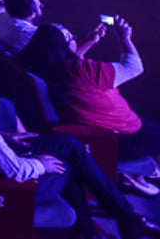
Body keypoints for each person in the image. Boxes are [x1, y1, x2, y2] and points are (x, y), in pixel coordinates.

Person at [0, 43, 160, 239]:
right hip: (1, 175)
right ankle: (119, 220)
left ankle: (102, 226)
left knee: (70, 147)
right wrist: (42, 165)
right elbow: (15, 171)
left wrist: (5, 136)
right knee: (69, 161)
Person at [20, 20, 160, 192]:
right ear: (63, 46)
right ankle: (137, 172)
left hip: (95, 131)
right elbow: (134, 67)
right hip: (117, 137)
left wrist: (90, 41)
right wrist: (124, 38)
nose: (74, 39)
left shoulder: (43, 66)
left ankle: (137, 176)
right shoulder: (82, 70)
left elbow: (65, 62)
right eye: (71, 37)